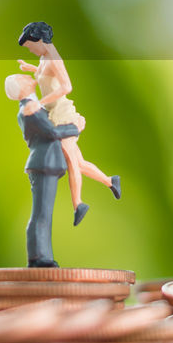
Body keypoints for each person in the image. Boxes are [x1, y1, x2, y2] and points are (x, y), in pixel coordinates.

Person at [17, 21, 121, 226]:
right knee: (79, 162)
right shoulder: (44, 57)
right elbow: (44, 75)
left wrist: (40, 102)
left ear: (39, 40)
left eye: (30, 45)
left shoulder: (55, 58)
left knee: (71, 159)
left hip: (63, 114)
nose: (30, 49)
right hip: (52, 114)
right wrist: (30, 69)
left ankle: (78, 203)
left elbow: (66, 86)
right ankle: (110, 181)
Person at [5, 73, 78, 268]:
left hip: (46, 162)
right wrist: (74, 128)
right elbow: (51, 133)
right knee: (41, 213)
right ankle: (39, 258)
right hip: (43, 162)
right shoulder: (29, 108)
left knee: (44, 213)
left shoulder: (33, 106)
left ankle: (43, 255)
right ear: (21, 88)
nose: (26, 76)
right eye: (22, 77)